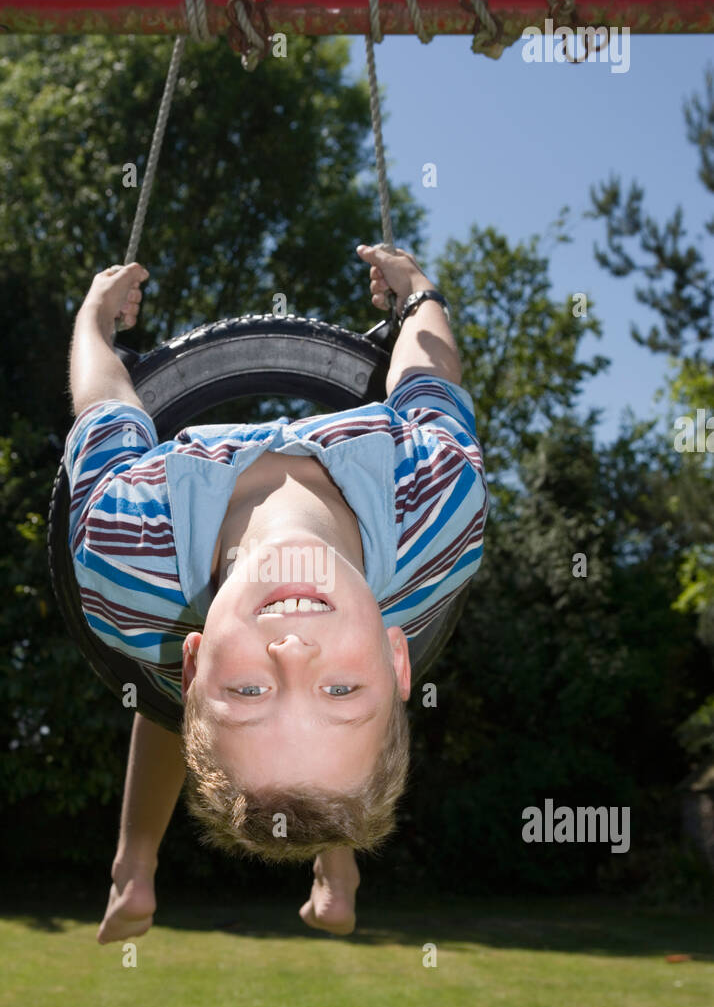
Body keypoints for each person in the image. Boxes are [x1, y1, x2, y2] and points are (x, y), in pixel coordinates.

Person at [64, 244, 488, 941]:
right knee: (320, 770)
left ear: (198, 665)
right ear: (397, 657)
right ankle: (335, 868)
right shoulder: (438, 503)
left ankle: (133, 869)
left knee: (166, 701)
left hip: (166, 601)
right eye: (341, 691)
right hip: (393, 561)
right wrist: (420, 297)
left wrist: (93, 321)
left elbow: (106, 400)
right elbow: (427, 373)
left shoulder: (127, 548)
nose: (292, 650)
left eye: (251, 692)